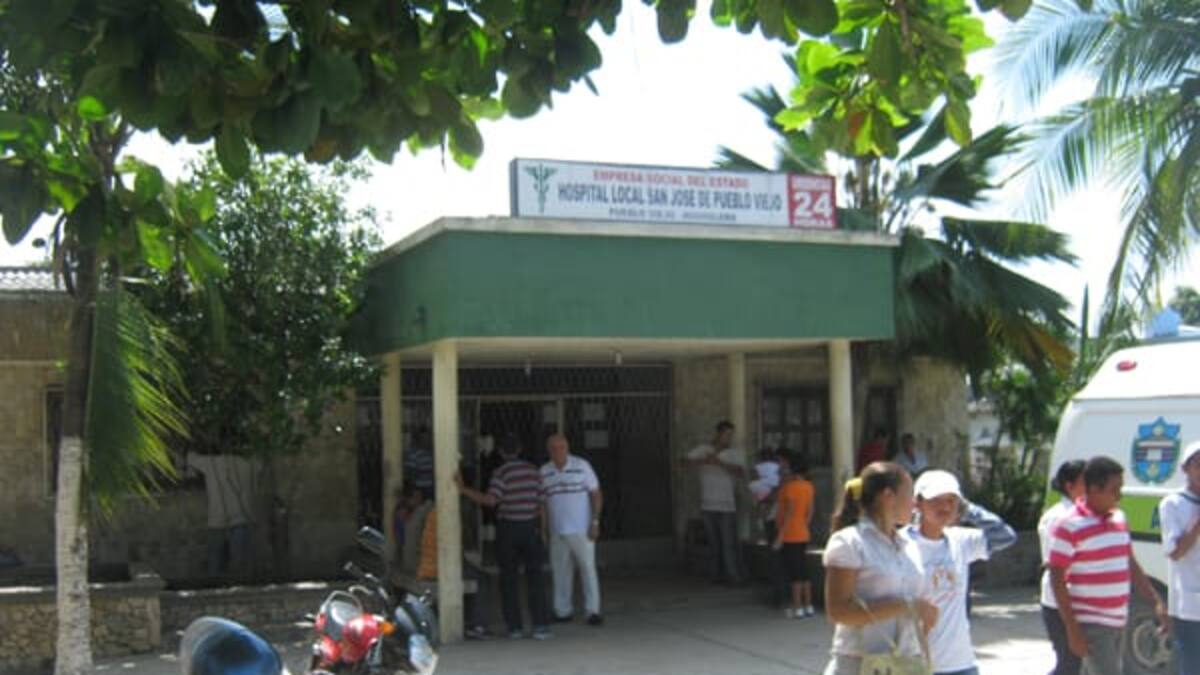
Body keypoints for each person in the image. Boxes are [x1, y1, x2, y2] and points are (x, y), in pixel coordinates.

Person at [1047, 456, 1167, 675]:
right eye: (1114, 490)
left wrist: (1156, 601)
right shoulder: (1069, 525)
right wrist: (1072, 630)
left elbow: (1130, 563)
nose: (1119, 496)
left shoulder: (1119, 518)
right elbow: (1057, 579)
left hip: (1119, 619)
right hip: (1091, 624)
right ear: (1094, 489)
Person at [822, 462, 939, 675]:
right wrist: (909, 606)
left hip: (905, 663)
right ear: (888, 496)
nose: (914, 504)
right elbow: (838, 612)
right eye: (910, 495)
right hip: (859, 664)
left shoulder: (908, 544)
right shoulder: (849, 542)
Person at [907, 470, 1017, 675]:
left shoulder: (961, 540)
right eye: (936, 500)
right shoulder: (900, 543)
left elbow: (1005, 536)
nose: (945, 507)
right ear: (918, 503)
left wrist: (969, 510)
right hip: (914, 662)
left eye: (951, 500)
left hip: (960, 663)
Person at [455, 434, 552, 640]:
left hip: (509, 529)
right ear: (520, 449)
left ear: (501, 452)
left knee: (509, 579)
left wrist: (464, 490)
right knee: (536, 578)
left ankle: (515, 628)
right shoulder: (534, 472)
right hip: (531, 528)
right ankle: (541, 626)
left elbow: (491, 501)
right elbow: (542, 503)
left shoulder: (501, 473)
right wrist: (543, 531)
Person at [541, 433, 604, 626]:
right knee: (560, 571)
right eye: (553, 448)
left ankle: (593, 611)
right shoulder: (544, 471)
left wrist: (595, 522)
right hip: (557, 530)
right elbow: (543, 503)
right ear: (548, 450)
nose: (558, 451)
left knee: (588, 569)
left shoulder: (581, 466)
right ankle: (562, 611)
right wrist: (544, 529)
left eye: (561, 447)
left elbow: (596, 494)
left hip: (582, 528)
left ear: (567, 448)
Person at [1038, 459, 1087, 675]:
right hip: (1060, 601)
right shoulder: (1059, 517)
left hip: (1079, 600)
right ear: (1070, 486)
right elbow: (1056, 565)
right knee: (1069, 664)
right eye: (1086, 482)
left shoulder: (1084, 514)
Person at [415, 509, 494, 640]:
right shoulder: (446, 515)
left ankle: (470, 622)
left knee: (476, 576)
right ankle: (477, 626)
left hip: (428, 565)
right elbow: (452, 549)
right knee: (483, 579)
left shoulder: (431, 514)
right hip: (439, 567)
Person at [685, 420, 746, 585]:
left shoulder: (734, 453)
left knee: (728, 543)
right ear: (718, 433)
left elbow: (741, 472)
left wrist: (720, 463)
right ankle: (716, 576)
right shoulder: (703, 449)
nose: (729, 438)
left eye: (731, 435)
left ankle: (733, 577)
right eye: (726, 434)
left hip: (727, 505)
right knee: (714, 543)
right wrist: (703, 461)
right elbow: (683, 462)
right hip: (708, 504)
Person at [1160, 440, 1200, 675]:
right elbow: (1175, 552)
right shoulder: (1173, 504)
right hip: (1190, 605)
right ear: (1186, 468)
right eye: (1198, 465)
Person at [187, 452, 259, 580]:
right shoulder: (250, 461)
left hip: (217, 521)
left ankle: (215, 586)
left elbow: (190, 457)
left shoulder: (211, 462)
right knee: (241, 566)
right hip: (242, 518)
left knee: (215, 565)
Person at [773, 452, 815, 619]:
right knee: (803, 570)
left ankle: (797, 606)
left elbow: (789, 512)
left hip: (790, 534)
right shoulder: (808, 486)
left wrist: (780, 536)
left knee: (794, 572)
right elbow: (810, 510)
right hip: (802, 532)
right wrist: (804, 525)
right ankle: (808, 605)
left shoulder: (789, 487)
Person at [405, 427, 435, 497]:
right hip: (419, 488)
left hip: (431, 487)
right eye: (423, 438)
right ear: (419, 439)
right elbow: (411, 474)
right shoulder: (414, 454)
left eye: (427, 438)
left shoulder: (431, 454)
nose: (426, 440)